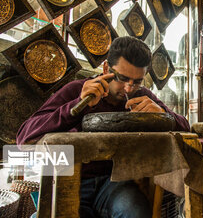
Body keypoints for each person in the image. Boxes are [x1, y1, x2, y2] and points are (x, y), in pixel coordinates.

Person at [16, 36, 190, 218]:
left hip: (115, 181)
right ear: (106, 68)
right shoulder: (76, 90)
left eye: (137, 81)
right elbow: (24, 138)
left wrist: (162, 115)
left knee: (136, 212)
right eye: (122, 78)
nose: (129, 88)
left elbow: (186, 128)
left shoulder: (142, 95)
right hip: (71, 180)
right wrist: (76, 106)